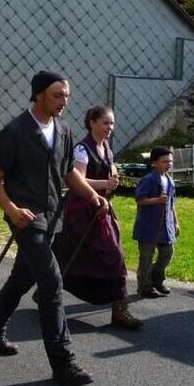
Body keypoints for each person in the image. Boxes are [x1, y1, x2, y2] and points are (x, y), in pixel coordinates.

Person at [0, 70, 109, 386]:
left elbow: (68, 174)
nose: (64, 101)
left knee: (22, 277)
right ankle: (63, 364)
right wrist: (10, 209)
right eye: (57, 95)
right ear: (38, 95)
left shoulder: (64, 132)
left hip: (53, 216)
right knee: (51, 282)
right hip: (25, 217)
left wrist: (92, 195)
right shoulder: (14, 132)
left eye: (66, 95)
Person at [51, 106, 142, 329]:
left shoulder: (106, 148)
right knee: (80, 255)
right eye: (105, 123)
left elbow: (107, 174)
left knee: (111, 256)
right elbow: (77, 180)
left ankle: (119, 310)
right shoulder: (82, 149)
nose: (110, 127)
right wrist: (104, 184)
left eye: (111, 123)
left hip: (102, 210)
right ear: (92, 122)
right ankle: (48, 292)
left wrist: (113, 179)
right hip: (82, 211)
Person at [133, 146, 180, 298]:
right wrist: (157, 200)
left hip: (165, 226)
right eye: (165, 161)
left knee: (168, 252)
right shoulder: (148, 180)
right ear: (154, 163)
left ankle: (157, 277)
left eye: (170, 161)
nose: (169, 164)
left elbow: (171, 204)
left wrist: (176, 222)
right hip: (148, 226)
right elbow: (140, 200)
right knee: (146, 257)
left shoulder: (169, 180)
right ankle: (144, 287)